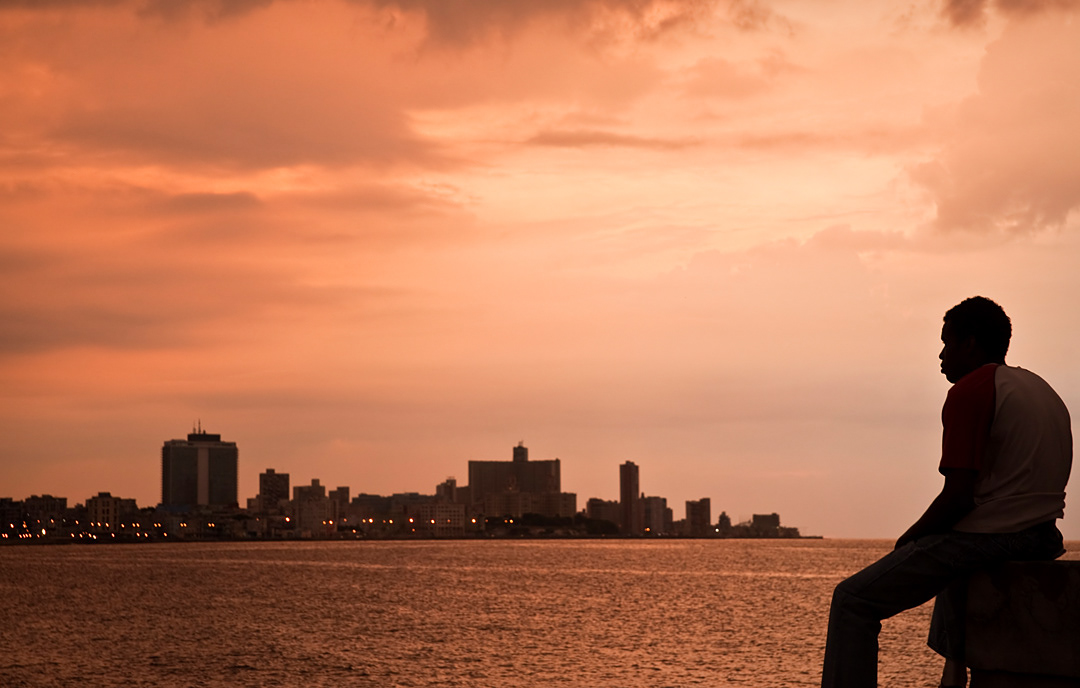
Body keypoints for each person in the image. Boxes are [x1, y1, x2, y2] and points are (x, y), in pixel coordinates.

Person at [821, 296, 1072, 688]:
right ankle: (952, 671)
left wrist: (909, 538)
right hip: (1044, 536)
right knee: (950, 551)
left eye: (946, 344)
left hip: (998, 536)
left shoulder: (971, 391)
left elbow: (958, 497)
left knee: (852, 601)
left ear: (969, 344)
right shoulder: (1041, 389)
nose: (940, 356)